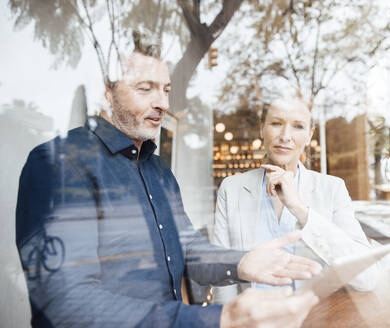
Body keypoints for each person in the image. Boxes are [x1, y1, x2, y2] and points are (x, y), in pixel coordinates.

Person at [15, 30, 322, 327]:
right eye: (145, 89)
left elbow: (187, 249)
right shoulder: (59, 164)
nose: (162, 103)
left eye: (166, 90)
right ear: (107, 93)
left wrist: (241, 262)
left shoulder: (159, 171)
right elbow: (67, 305)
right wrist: (220, 319)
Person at [213, 80, 381, 303]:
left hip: (314, 317)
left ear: (309, 135)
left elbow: (366, 278)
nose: (285, 135)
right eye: (276, 123)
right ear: (262, 128)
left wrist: (300, 208)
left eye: (298, 126)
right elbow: (222, 274)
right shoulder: (232, 189)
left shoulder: (332, 189)